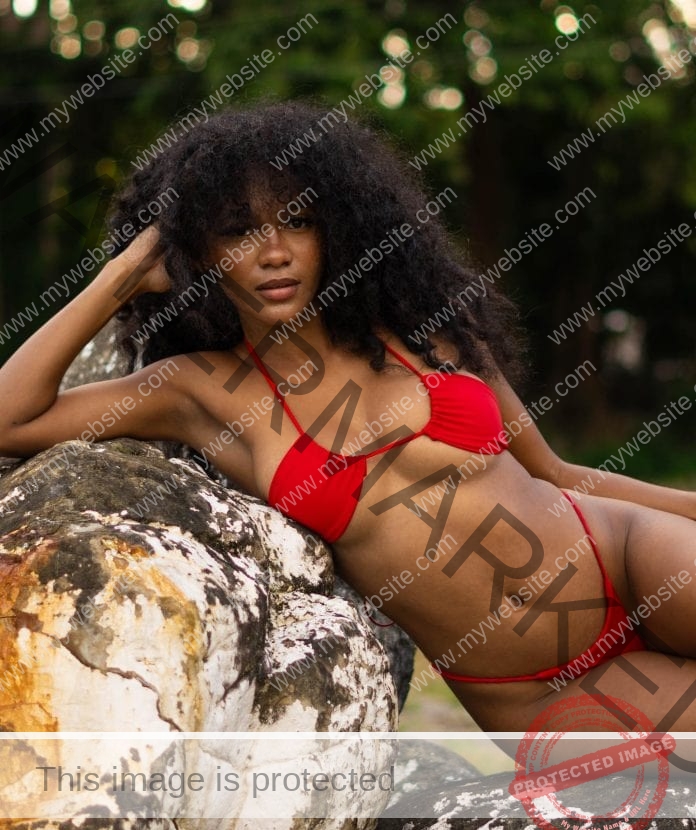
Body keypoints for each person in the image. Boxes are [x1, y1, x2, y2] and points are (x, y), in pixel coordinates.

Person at [0, 101, 694, 740]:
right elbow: (10, 418)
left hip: (625, 555)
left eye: (298, 222)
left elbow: (558, 473)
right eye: (237, 232)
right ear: (197, 252)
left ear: (337, 228)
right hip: (538, 690)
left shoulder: (426, 333)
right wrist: (121, 277)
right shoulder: (199, 392)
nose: (274, 251)